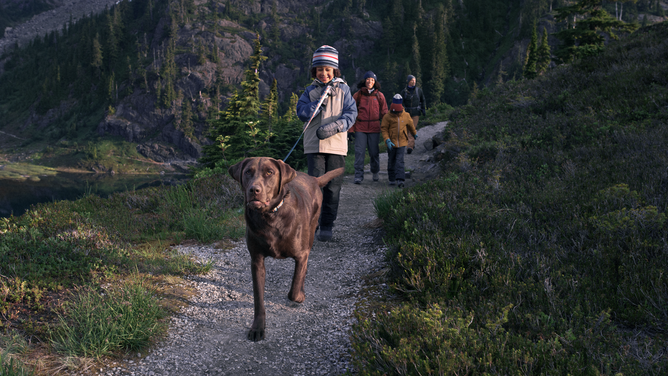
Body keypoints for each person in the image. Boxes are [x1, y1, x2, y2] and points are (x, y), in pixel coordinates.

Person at [296, 45, 358, 242]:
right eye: (320, 70)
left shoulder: (344, 90)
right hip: (314, 146)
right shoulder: (310, 91)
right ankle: (312, 225)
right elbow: (301, 112)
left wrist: (338, 125)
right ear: (315, 71)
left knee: (333, 188)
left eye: (328, 70)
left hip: (337, 147)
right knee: (314, 187)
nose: (324, 73)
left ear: (334, 71)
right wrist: (315, 106)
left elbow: (352, 113)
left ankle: (327, 225)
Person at [349, 71, 388, 184]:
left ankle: (375, 172)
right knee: (359, 152)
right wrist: (351, 129)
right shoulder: (358, 95)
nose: (369, 81)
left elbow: (385, 113)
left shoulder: (380, 96)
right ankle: (358, 175)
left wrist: (388, 127)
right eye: (368, 79)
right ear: (364, 81)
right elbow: (351, 112)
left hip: (374, 127)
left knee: (374, 152)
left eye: (372, 80)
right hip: (360, 127)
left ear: (375, 82)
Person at [381, 94, 417, 188]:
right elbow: (384, 129)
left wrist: (414, 133)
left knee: (399, 160)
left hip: (402, 142)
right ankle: (392, 178)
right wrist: (387, 140)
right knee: (391, 160)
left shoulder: (406, 116)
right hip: (391, 143)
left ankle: (400, 179)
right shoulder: (387, 117)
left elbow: (411, 125)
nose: (396, 114)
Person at [400, 75, 426, 154]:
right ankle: (412, 144)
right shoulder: (404, 92)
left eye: (414, 80)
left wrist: (423, 109)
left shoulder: (419, 91)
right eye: (412, 80)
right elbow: (401, 102)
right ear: (408, 81)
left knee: (412, 129)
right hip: (406, 113)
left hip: (415, 113)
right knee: (407, 130)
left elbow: (422, 100)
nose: (414, 82)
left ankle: (409, 147)